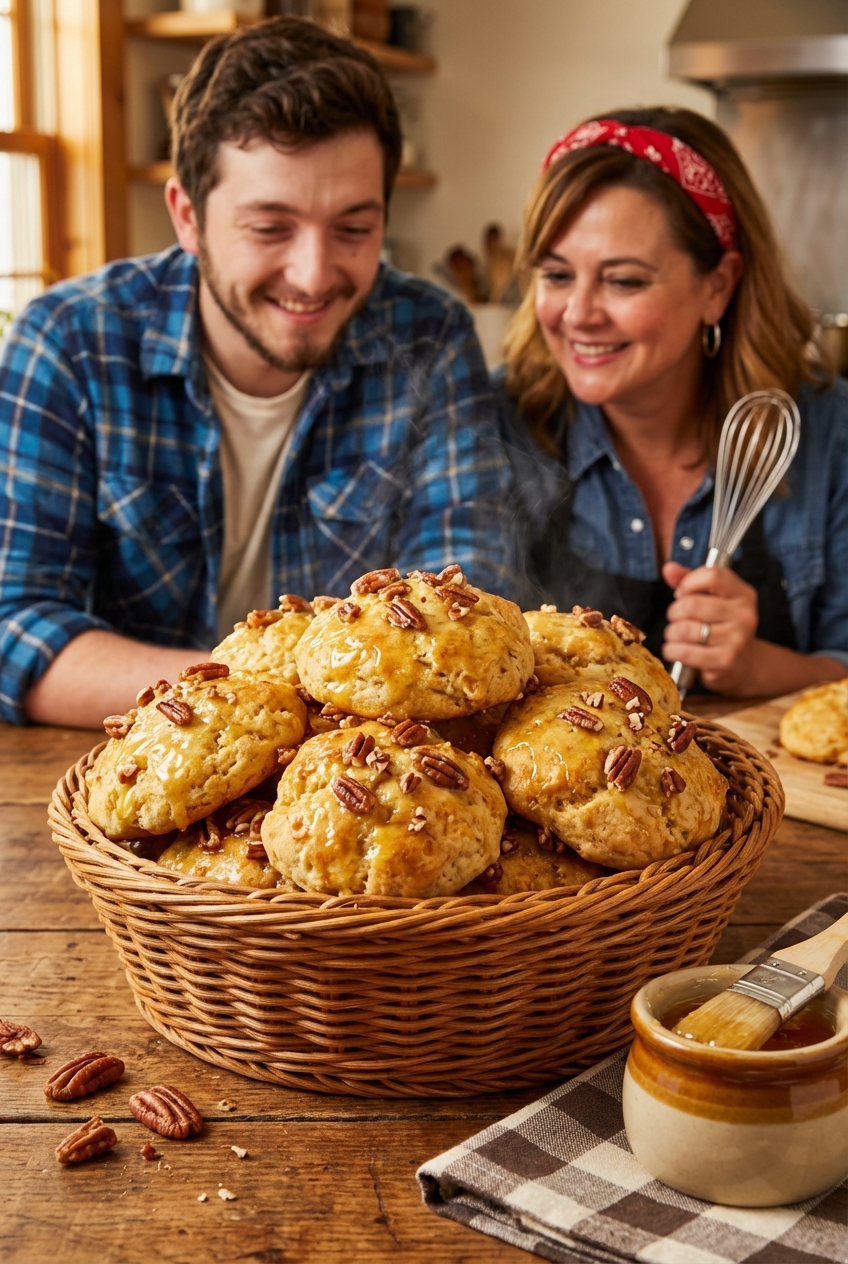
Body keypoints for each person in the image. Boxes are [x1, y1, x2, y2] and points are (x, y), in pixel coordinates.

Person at [0, 18, 513, 729]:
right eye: (270, 228)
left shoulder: (431, 336)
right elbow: (14, 629)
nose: (313, 274)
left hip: (365, 799)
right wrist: (260, 695)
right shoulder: (69, 342)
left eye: (355, 229)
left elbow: (466, 618)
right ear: (187, 216)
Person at [496, 107, 847, 697]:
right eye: (557, 275)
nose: (579, 314)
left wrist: (754, 668)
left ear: (718, 285)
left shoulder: (830, 435)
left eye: (623, 280)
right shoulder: (494, 422)